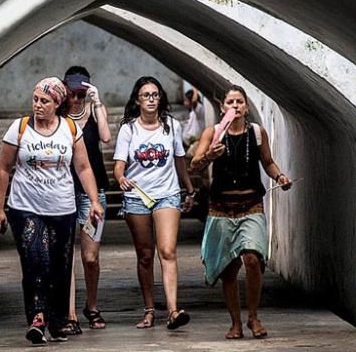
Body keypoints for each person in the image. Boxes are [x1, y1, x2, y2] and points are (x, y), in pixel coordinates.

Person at [0, 77, 104, 346]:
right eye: (35, 99)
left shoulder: (69, 128)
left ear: (57, 103)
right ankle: (37, 318)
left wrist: (95, 201)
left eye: (44, 101)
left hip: (62, 208)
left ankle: (56, 320)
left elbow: (84, 168)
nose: (38, 105)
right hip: (25, 207)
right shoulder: (20, 128)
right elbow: (3, 169)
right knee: (36, 260)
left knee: (60, 266)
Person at [189, 84, 292, 340]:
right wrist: (210, 155)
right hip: (221, 208)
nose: (235, 106)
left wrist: (279, 176)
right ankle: (235, 322)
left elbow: (267, 162)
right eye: (230, 102)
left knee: (253, 260)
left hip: (251, 205)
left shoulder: (257, 133)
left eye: (239, 102)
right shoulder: (212, 133)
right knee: (229, 267)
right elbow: (195, 166)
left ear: (246, 107)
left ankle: (254, 317)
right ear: (222, 107)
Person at [113, 76, 196, 330]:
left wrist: (189, 189)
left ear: (160, 99)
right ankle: (149, 310)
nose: (150, 99)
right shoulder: (128, 129)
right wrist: (121, 178)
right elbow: (119, 166)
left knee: (168, 251)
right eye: (145, 95)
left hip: (167, 194)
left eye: (155, 95)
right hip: (137, 197)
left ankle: (172, 310)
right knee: (145, 255)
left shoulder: (171, 125)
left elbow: (180, 160)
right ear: (137, 100)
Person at [61, 66, 111, 335]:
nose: (77, 99)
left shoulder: (93, 110)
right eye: (73, 93)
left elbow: (105, 136)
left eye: (81, 93)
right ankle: (69, 313)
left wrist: (97, 101)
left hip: (94, 194)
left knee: (90, 257)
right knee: (66, 256)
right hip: (64, 192)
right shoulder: (58, 117)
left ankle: (91, 306)